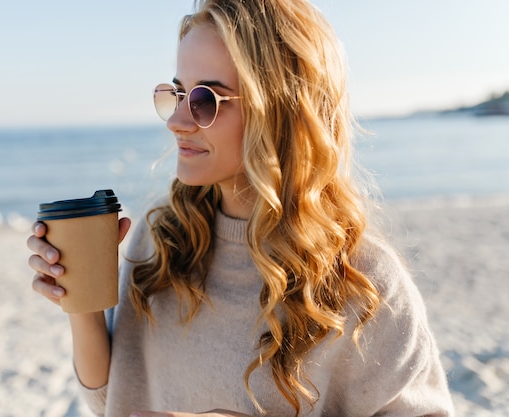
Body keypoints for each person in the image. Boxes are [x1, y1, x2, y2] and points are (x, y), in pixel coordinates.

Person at [27, 0, 455, 416]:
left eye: (205, 100)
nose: (177, 120)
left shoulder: (365, 284)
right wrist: (81, 301)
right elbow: (114, 400)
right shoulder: (159, 239)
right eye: (176, 93)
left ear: (282, 113)